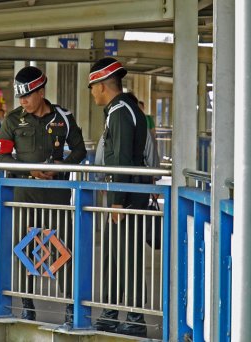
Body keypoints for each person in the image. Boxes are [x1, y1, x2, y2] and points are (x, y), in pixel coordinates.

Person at [0, 66, 87, 324]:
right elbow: (2, 157)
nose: (23, 101)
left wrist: (61, 167)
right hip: (24, 196)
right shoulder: (12, 120)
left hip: (57, 196)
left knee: (63, 249)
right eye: (20, 96)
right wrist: (30, 171)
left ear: (41, 91)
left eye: (27, 95)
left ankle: (69, 303)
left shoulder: (63, 117)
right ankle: (27, 304)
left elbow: (79, 151)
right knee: (24, 248)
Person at [88, 57, 149, 337]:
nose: (92, 93)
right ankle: (113, 311)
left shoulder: (121, 112)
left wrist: (116, 200)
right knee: (116, 255)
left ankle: (135, 317)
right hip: (126, 193)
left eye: (92, 87)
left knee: (127, 256)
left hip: (126, 196)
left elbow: (122, 159)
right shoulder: (121, 109)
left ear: (102, 86)